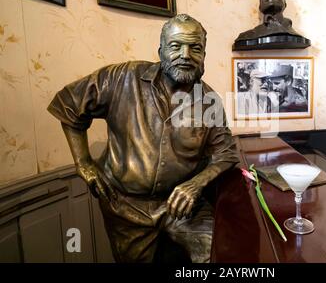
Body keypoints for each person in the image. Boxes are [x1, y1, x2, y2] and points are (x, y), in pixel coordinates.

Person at [48, 14, 239, 263]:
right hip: (125, 208)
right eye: (175, 46)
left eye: (195, 48)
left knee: (217, 251)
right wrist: (83, 163)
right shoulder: (121, 78)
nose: (185, 55)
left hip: (181, 206)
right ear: (160, 50)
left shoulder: (210, 100)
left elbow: (226, 153)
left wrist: (195, 185)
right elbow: (69, 105)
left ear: (204, 54)